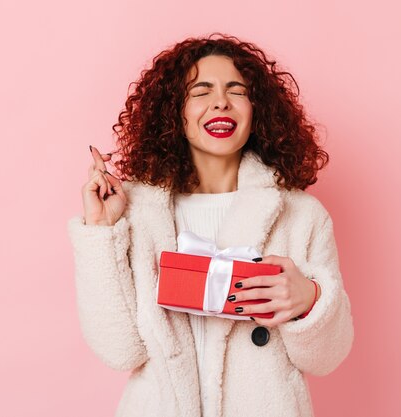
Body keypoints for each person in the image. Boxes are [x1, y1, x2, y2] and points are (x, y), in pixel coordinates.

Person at [67, 33, 354, 417]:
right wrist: (101, 231)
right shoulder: (134, 214)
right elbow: (119, 350)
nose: (221, 101)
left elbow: (326, 359)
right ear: (174, 111)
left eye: (236, 90)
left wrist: (309, 300)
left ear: (257, 110)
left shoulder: (301, 215)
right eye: (201, 91)